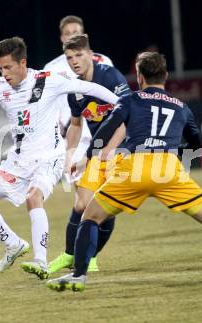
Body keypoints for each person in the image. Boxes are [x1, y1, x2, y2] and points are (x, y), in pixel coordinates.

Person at [46, 52, 202, 291]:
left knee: (90, 218)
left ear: (140, 77)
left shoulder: (129, 100)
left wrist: (87, 158)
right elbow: (196, 147)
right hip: (168, 170)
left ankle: (79, 275)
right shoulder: (182, 107)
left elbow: (106, 130)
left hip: (133, 169)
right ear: (166, 76)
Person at [0, 36, 119, 280]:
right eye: (0, 68)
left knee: (33, 198)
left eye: (8, 67)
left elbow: (89, 88)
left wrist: (123, 103)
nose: (4, 73)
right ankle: (14, 244)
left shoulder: (48, 80)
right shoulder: (0, 88)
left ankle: (41, 261)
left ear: (23, 63)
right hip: (18, 161)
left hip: (50, 157)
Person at [47, 35, 130, 274]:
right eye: (69, 57)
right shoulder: (75, 89)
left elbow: (127, 118)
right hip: (97, 150)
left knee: (104, 205)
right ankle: (68, 255)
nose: (74, 61)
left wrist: (106, 151)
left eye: (79, 55)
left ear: (91, 54)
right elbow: (75, 125)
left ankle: (91, 257)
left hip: (122, 148)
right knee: (82, 203)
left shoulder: (111, 77)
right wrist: (69, 155)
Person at [44, 15, 113, 154]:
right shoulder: (51, 69)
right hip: (72, 136)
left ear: (83, 36)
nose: (71, 37)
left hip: (102, 133)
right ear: (62, 38)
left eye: (75, 32)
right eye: (67, 33)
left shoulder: (103, 61)